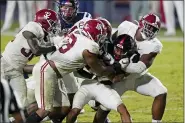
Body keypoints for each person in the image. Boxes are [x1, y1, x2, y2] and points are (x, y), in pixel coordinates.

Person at [25, 19, 121, 123]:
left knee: (64, 108)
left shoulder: (76, 35)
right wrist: (115, 67)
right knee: (45, 109)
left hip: (53, 72)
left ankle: (21, 117)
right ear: (94, 34)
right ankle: (16, 119)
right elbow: (100, 71)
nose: (101, 40)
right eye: (100, 36)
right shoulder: (90, 46)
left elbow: (79, 68)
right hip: (47, 71)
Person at [94, 13, 167, 123]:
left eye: (153, 29)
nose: (150, 31)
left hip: (137, 78)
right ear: (142, 23)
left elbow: (139, 68)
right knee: (104, 106)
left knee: (161, 92)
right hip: (119, 79)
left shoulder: (154, 45)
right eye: (149, 27)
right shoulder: (126, 27)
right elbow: (111, 44)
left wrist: (121, 65)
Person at [1, 9, 63, 109]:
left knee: (22, 105)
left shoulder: (42, 36)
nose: (54, 27)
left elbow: (42, 50)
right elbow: (36, 50)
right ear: (44, 22)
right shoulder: (33, 26)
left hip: (17, 71)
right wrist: (55, 47)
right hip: (4, 65)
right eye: (53, 24)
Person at [67, 34, 136, 123]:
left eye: (122, 51)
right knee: (74, 111)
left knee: (122, 110)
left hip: (104, 88)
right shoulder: (103, 48)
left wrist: (121, 71)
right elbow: (89, 67)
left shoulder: (129, 60)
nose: (118, 53)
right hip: (88, 84)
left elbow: (116, 78)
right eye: (117, 49)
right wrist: (111, 69)